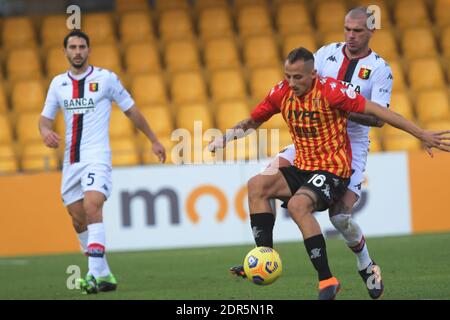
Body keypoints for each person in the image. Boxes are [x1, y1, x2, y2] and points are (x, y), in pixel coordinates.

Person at [208, 47, 450, 300]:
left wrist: (421, 134)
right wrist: (225, 138)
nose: (292, 82)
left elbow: (379, 112)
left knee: (302, 207)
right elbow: (252, 121)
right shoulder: (281, 92)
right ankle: (264, 259)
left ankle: (328, 280)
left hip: (333, 169)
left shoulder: (332, 92)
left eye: (298, 77)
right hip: (303, 164)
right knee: (257, 184)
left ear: (313, 74)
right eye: (288, 76)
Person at [267, 7, 394, 299]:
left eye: (358, 31)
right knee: (266, 177)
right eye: (347, 29)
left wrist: (342, 107)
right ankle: (265, 256)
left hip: (352, 143)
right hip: (314, 135)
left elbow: (379, 118)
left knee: (339, 217)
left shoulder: (379, 69)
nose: (351, 36)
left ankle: (366, 265)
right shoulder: (325, 54)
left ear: (371, 31)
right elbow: (302, 81)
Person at [38, 30, 166, 294]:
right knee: (78, 220)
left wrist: (153, 139)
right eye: (72, 47)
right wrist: (44, 132)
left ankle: (93, 276)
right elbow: (45, 118)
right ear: (65, 52)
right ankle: (105, 274)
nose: (77, 51)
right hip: (71, 161)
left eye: (82, 46)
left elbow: (131, 110)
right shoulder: (57, 84)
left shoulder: (106, 79)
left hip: (97, 157)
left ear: (88, 50)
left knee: (93, 206)